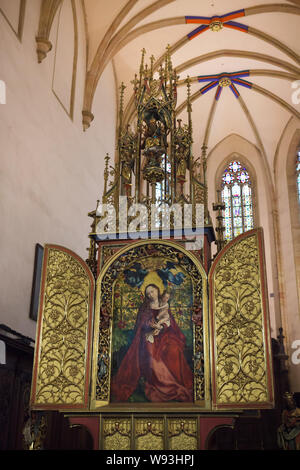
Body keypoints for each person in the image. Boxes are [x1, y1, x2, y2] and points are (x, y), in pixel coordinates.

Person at [111, 284, 193, 402]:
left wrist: (161, 327)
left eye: (152, 291)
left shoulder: (164, 304)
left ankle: (179, 382)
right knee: (151, 356)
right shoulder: (145, 307)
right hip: (148, 336)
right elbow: (141, 324)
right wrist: (151, 325)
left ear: (157, 290)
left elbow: (170, 322)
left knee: (174, 350)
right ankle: (165, 385)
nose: (150, 295)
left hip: (165, 336)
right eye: (148, 293)